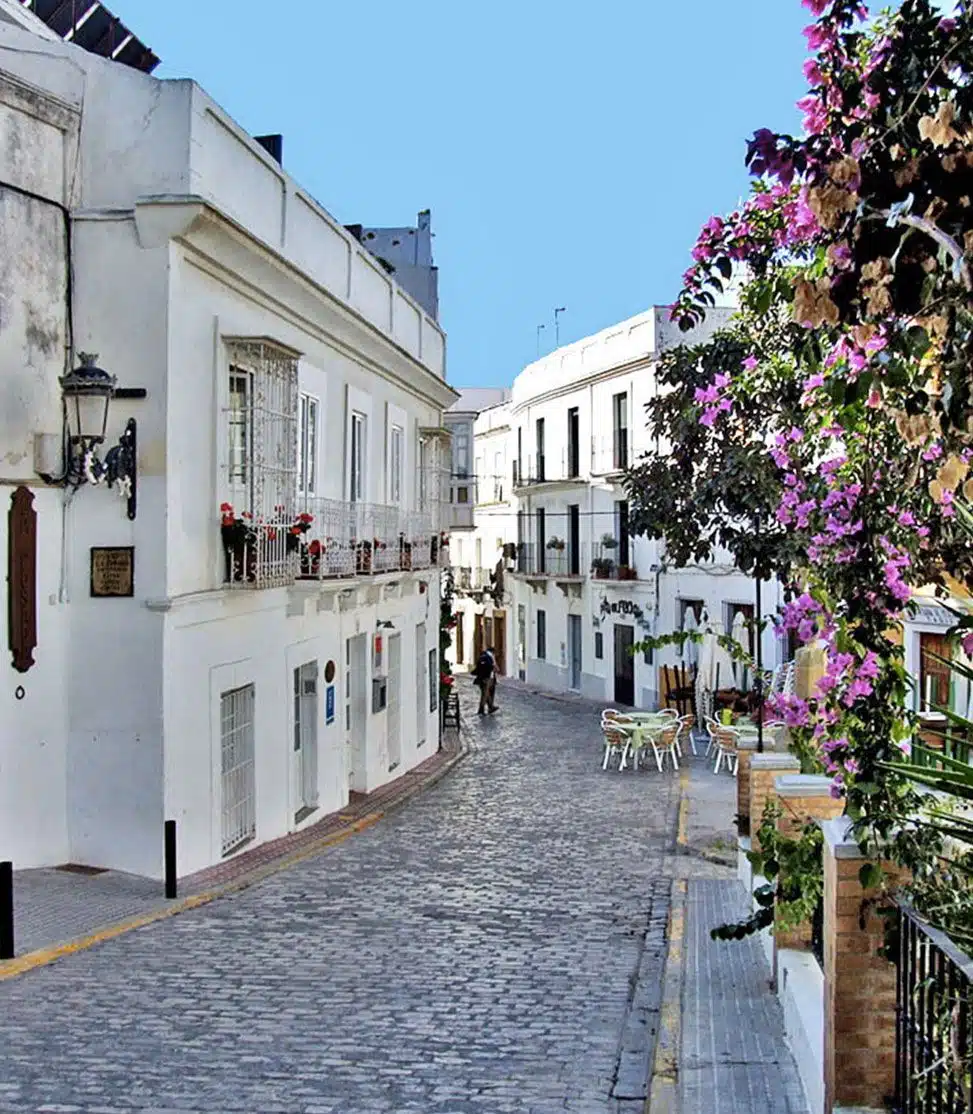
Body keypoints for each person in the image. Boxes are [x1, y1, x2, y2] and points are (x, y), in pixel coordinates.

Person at [473, 646, 498, 715]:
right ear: (492, 652)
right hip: (486, 678)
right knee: (485, 693)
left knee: (487, 693)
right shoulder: (486, 657)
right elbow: (487, 667)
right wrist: (493, 666)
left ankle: (490, 707)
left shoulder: (487, 656)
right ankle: (481, 710)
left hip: (489, 678)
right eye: (494, 653)